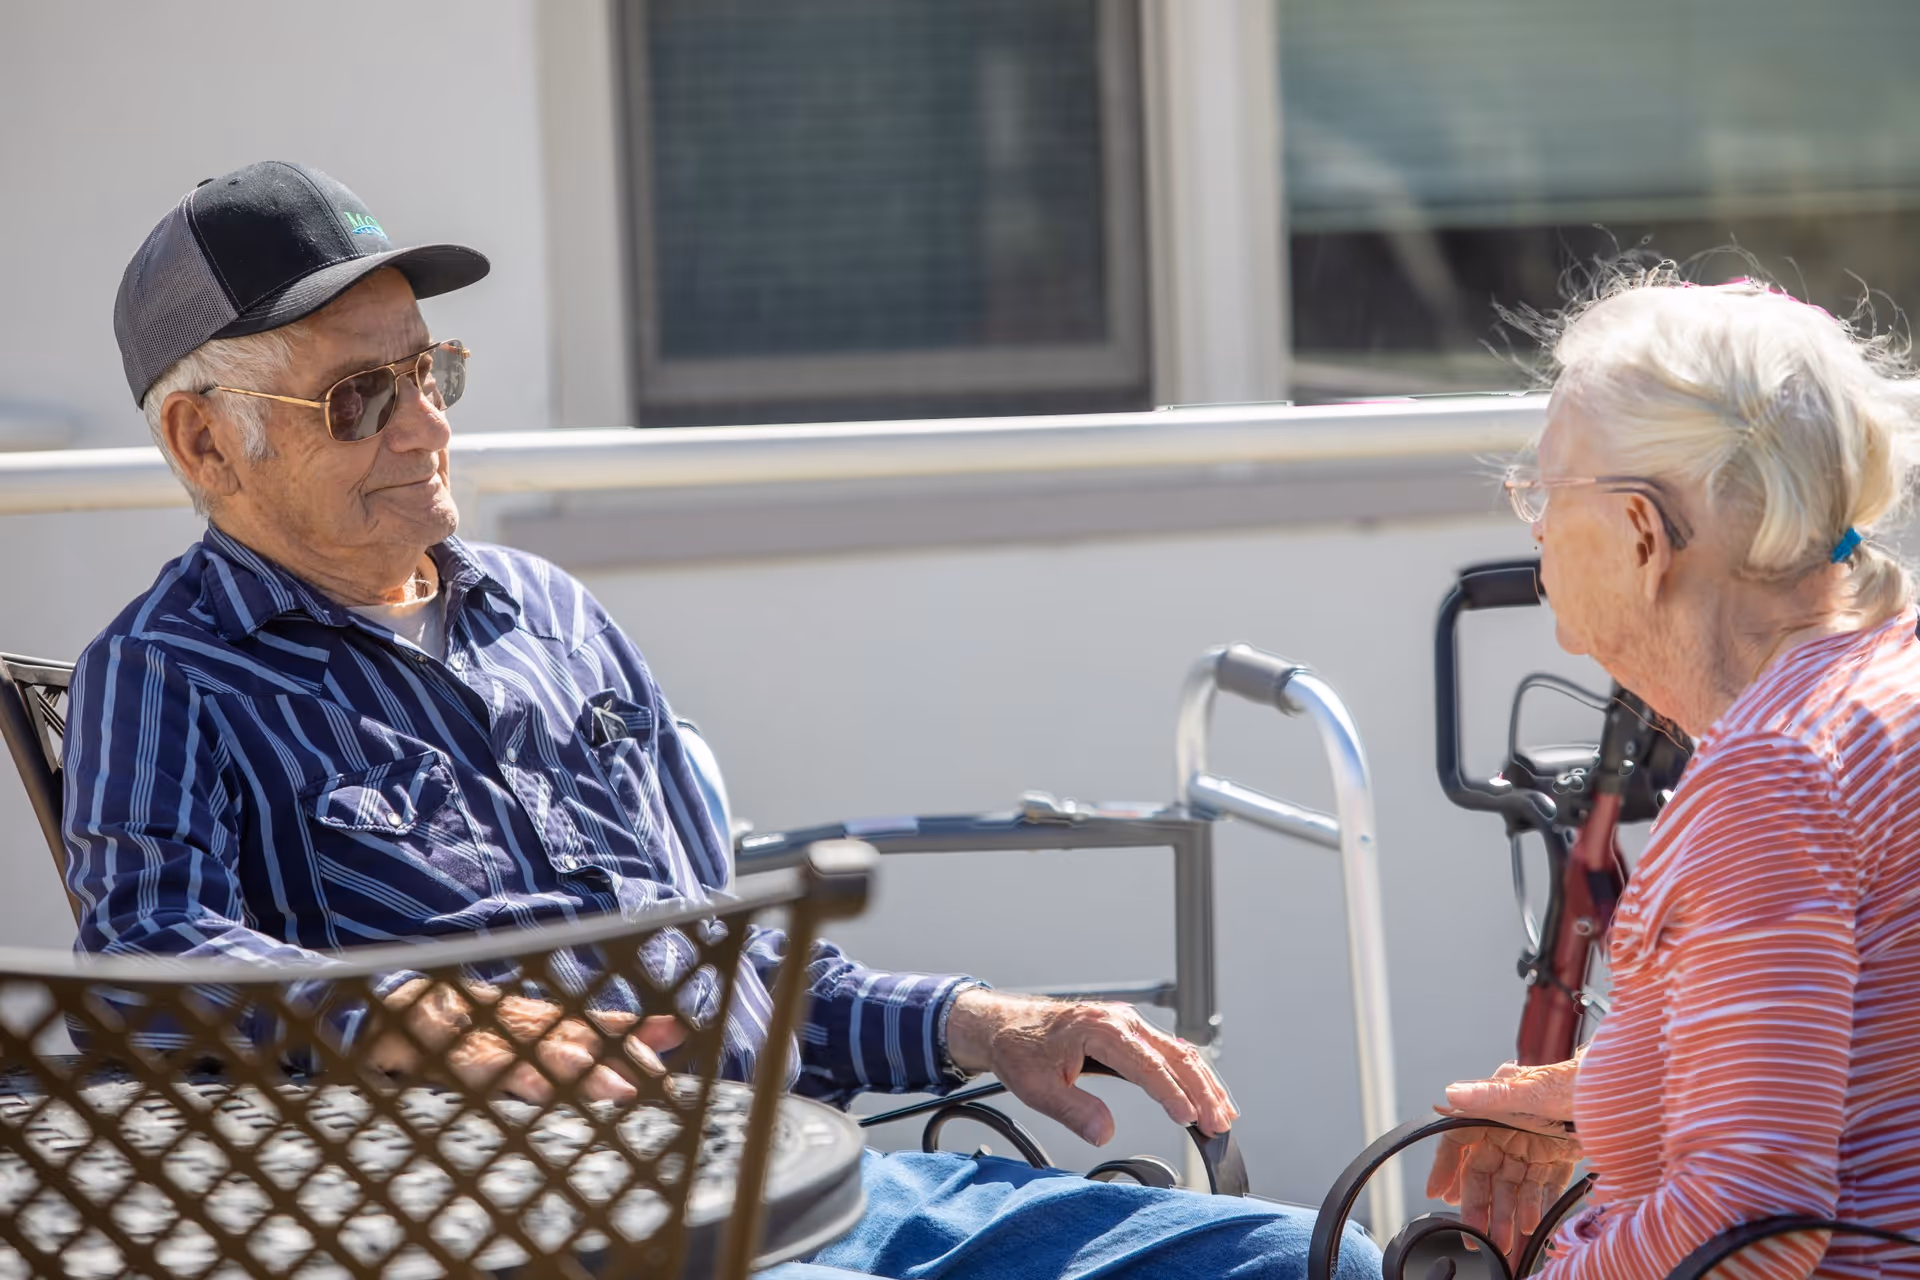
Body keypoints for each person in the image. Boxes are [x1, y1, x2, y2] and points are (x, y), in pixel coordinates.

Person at [75, 160, 1381, 1280]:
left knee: (1303, 1260)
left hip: (813, 1183)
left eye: (431, 371)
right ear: (204, 444)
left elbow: (736, 969)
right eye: (359, 398)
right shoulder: (170, 670)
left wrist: (977, 1024)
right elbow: (144, 977)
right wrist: (414, 1016)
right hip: (560, 1233)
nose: (426, 426)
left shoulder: (545, 612)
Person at [1429, 271, 1920, 1279]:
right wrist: (1611, 1090)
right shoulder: (1884, 681)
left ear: (1643, 535)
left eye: (1547, 488)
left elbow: (1755, 1225)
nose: (1530, 522)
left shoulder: (1773, 775)